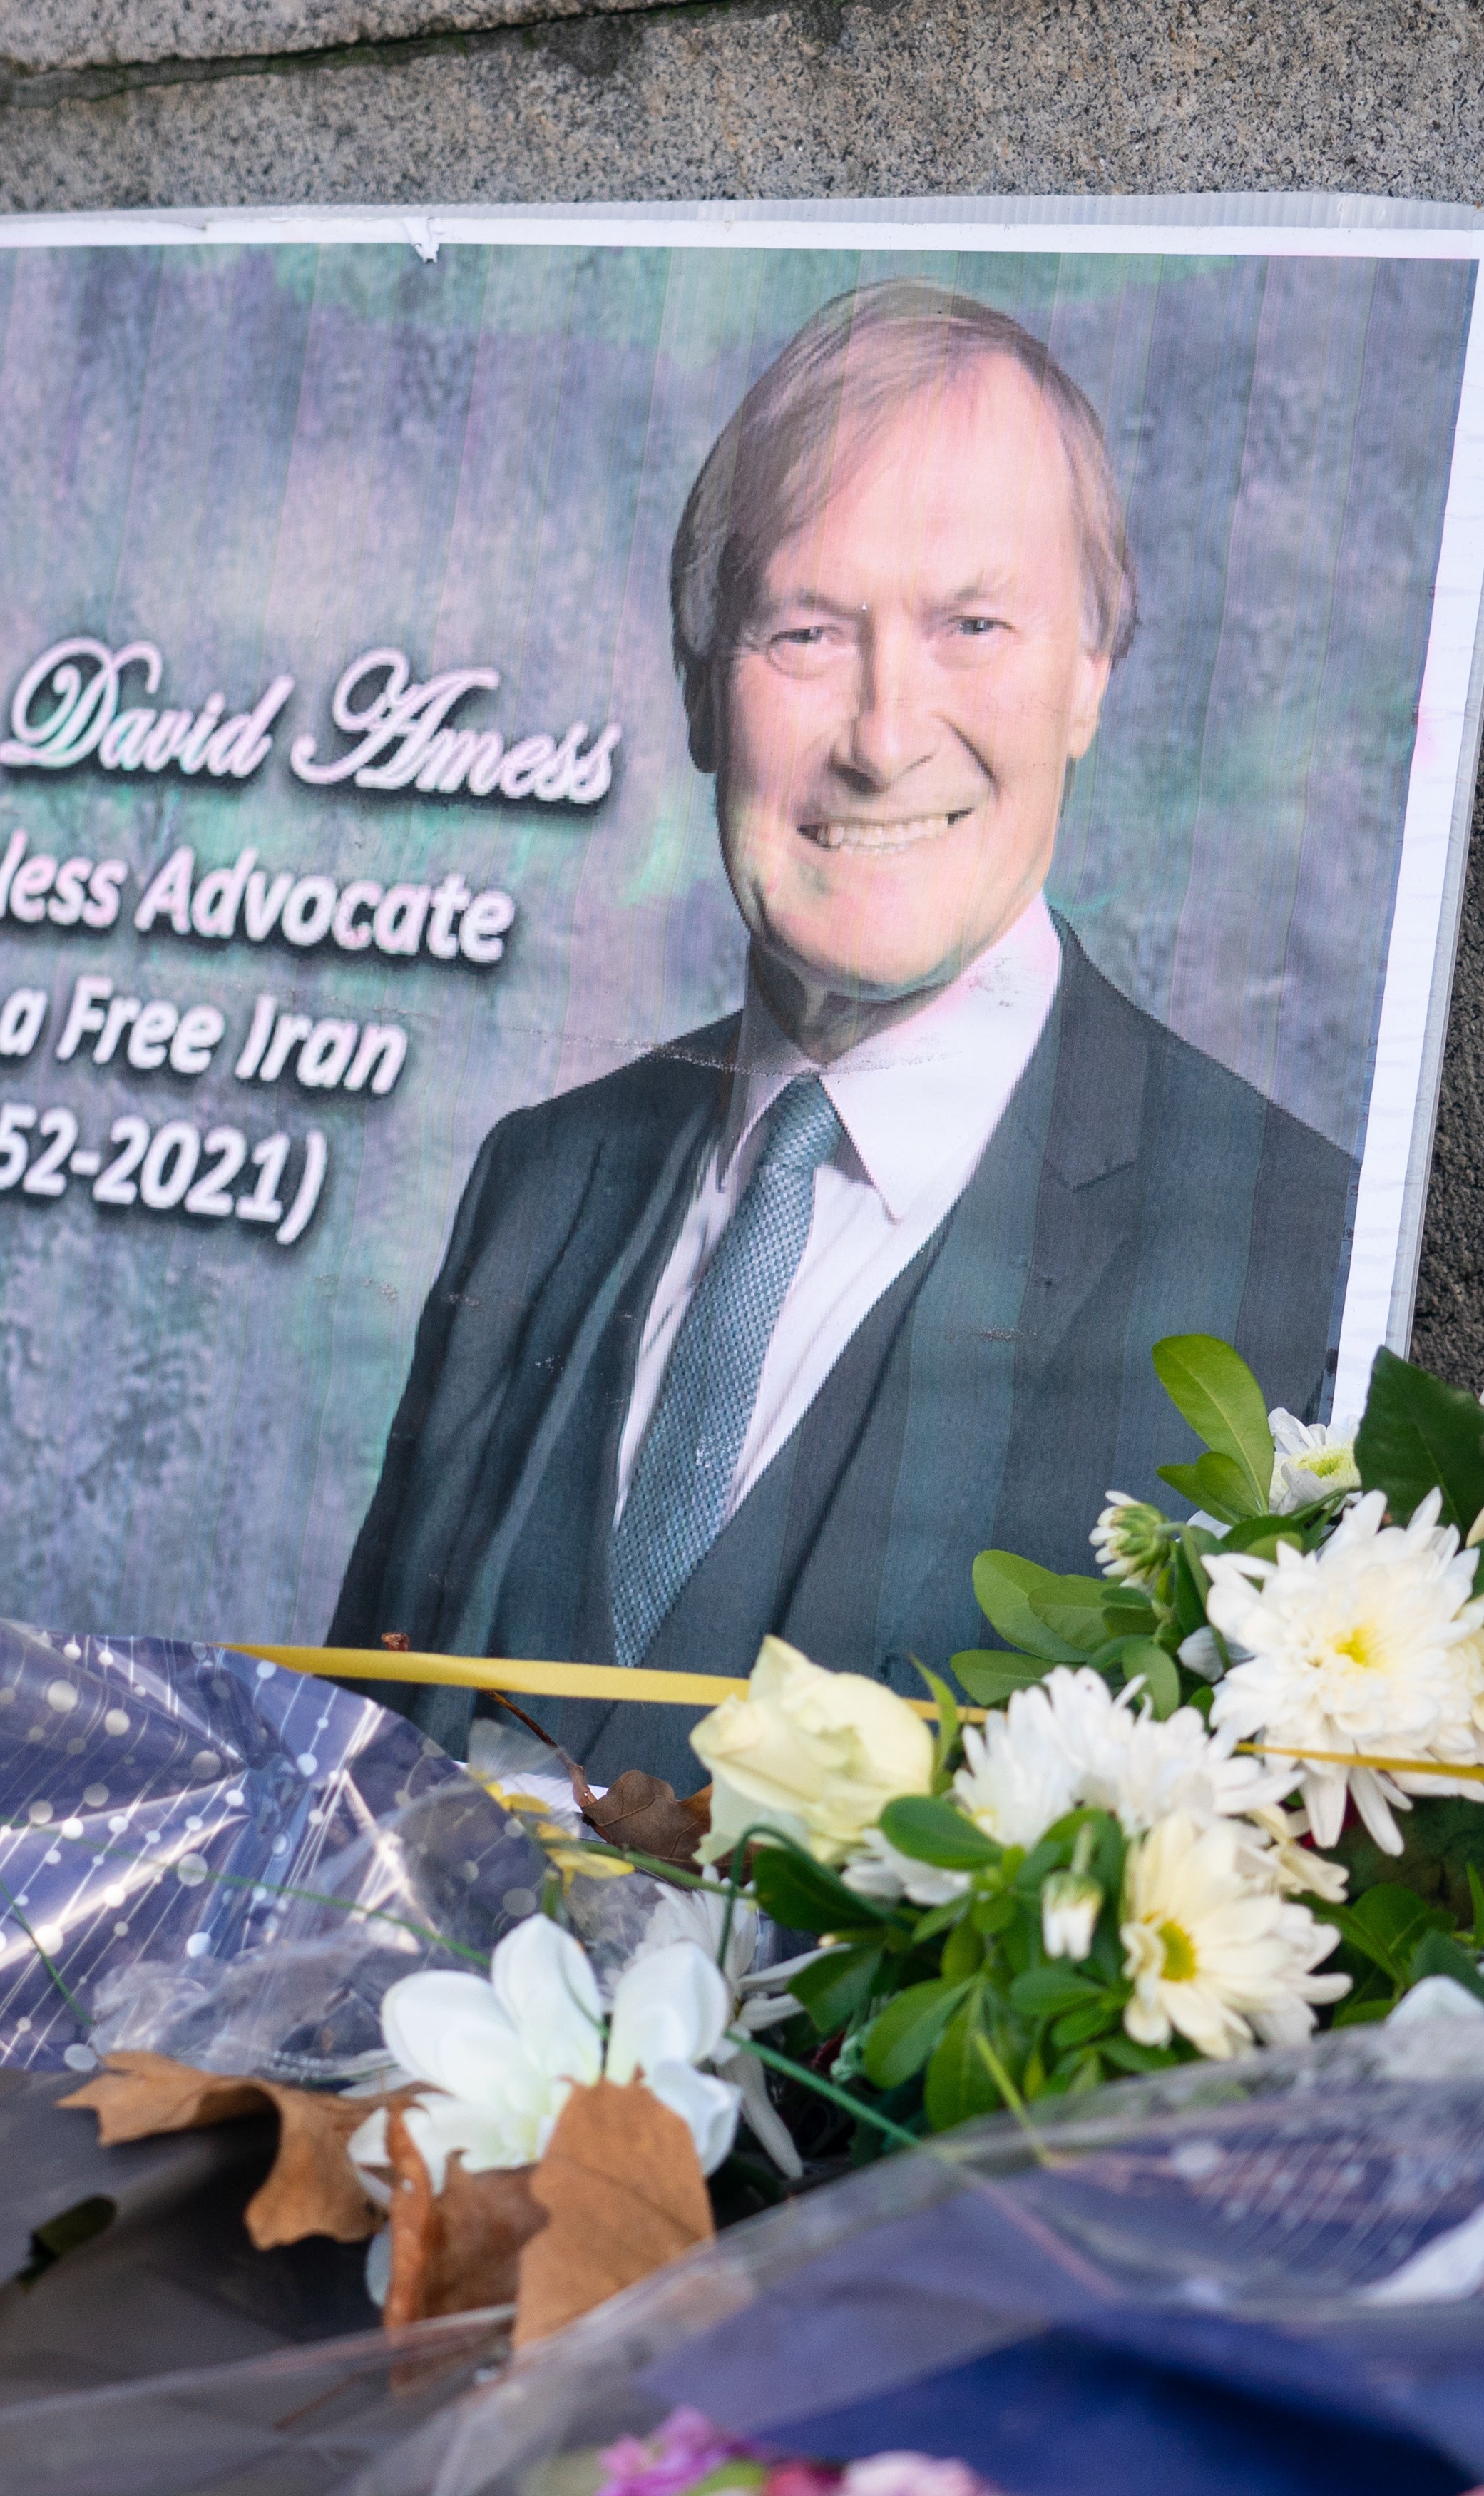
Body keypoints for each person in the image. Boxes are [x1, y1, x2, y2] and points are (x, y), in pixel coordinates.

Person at [326, 280, 1354, 1783]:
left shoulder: (1294, 1252)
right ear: (695, 688)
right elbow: (345, 1784)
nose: (883, 739)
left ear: (1090, 674)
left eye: (971, 625)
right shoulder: (533, 1181)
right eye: (802, 631)